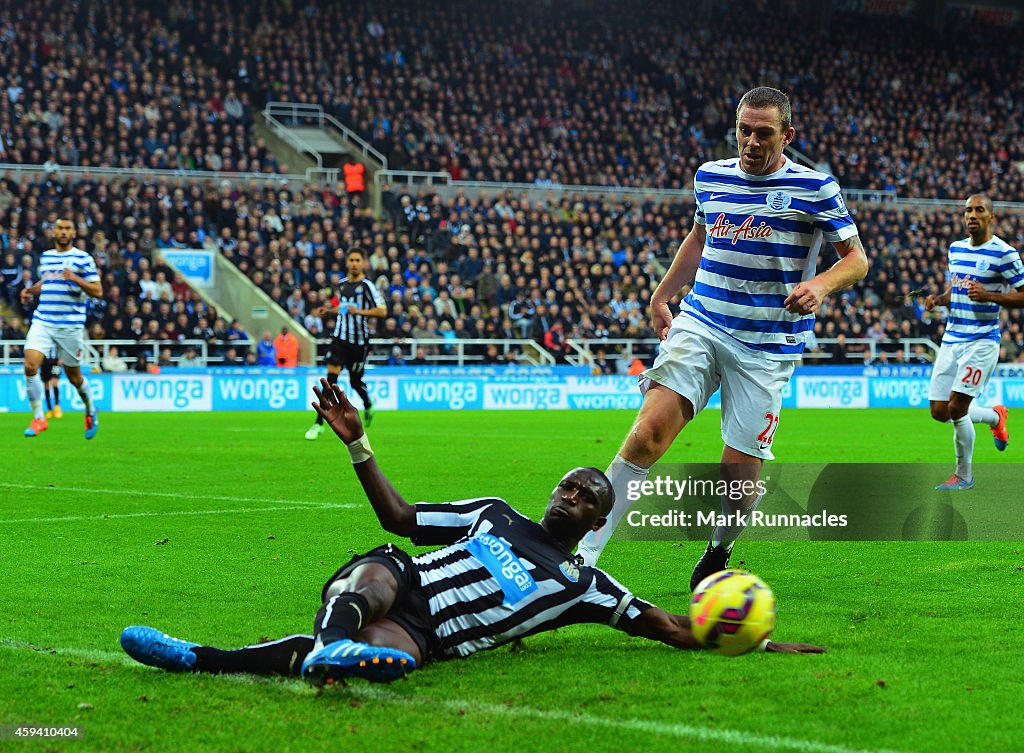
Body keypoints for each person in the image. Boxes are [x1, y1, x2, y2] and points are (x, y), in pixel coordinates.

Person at [119, 379, 824, 684]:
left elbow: (669, 624)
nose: (570, 494)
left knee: (377, 649)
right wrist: (358, 444)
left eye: (585, 496)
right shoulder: (493, 511)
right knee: (380, 565)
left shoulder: (585, 585)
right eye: (567, 484)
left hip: (427, 637)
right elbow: (399, 517)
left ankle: (207, 658)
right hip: (402, 585)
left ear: (597, 520)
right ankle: (326, 647)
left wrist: (752, 637)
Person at [575, 87, 870, 590]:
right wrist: (662, 295)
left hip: (766, 347)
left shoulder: (816, 188)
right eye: (744, 131)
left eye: (764, 133)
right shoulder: (710, 176)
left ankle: (720, 548)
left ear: (787, 135)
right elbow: (699, 237)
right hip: (703, 321)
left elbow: (857, 259)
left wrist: (820, 285)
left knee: (737, 474)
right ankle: (582, 557)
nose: (752, 142)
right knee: (648, 433)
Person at [923, 194, 1024, 490]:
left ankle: (964, 476)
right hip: (952, 339)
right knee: (939, 411)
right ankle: (995, 416)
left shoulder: (1004, 254)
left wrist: (991, 296)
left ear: (991, 217)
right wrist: (940, 300)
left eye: (979, 210)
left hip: (982, 341)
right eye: (968, 210)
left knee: (957, 409)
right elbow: (959, 287)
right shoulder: (955, 249)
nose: (972, 215)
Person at [19, 217, 103, 439]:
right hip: (44, 321)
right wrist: (30, 291)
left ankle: (90, 410)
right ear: (54, 232)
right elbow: (47, 282)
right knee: (29, 365)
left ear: (74, 233)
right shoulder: (46, 257)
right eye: (60, 228)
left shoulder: (83, 259)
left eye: (67, 228)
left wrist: (75, 278)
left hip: (70, 326)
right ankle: (39, 417)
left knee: (74, 377)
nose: (63, 232)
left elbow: (97, 290)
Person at [306, 248, 386, 439]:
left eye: (358, 260)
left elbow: (382, 311)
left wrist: (359, 312)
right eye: (352, 260)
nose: (355, 263)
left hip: (358, 343)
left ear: (363, 263)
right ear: (347, 263)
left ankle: (368, 404)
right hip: (340, 339)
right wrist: (330, 311)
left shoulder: (368, 286)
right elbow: (343, 309)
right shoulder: (341, 285)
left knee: (355, 381)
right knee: (330, 381)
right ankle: (318, 424)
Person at [41, 348, 62, 419]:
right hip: (45, 362)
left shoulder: (57, 337)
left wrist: (61, 358)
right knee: (46, 386)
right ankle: (50, 410)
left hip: (55, 362)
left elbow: (61, 346)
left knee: (55, 383)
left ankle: (57, 407)